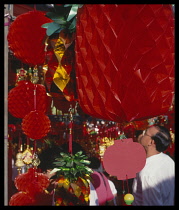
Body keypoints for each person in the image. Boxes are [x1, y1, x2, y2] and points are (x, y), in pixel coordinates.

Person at [132, 125, 175, 206]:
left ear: (151, 142)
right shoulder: (167, 160)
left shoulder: (147, 173)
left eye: (145, 133)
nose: (141, 135)